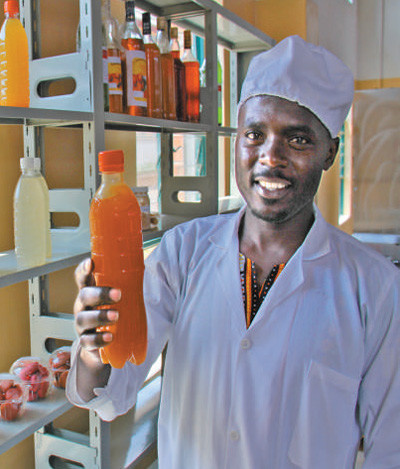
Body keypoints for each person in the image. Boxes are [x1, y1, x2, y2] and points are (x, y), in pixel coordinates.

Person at [67, 35, 400, 468]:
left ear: (330, 153)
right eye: (254, 134)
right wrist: (95, 348)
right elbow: (113, 392)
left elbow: (390, 445)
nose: (270, 156)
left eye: (297, 140)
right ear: (236, 140)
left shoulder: (374, 288)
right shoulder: (183, 253)